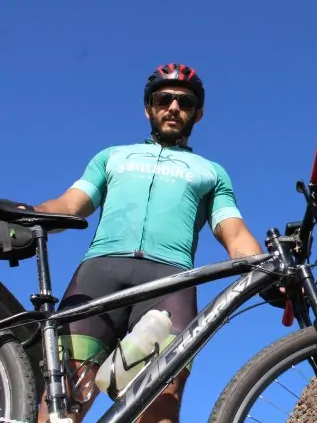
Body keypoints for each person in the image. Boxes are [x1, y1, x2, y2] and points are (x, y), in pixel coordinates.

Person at [22, 63, 263, 423]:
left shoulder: (211, 172)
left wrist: (265, 271)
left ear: (198, 114)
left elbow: (234, 232)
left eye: (185, 102)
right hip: (98, 275)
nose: (173, 107)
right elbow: (70, 205)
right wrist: (27, 215)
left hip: (171, 282)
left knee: (162, 403)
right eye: (164, 99)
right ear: (148, 108)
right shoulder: (112, 156)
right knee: (64, 399)